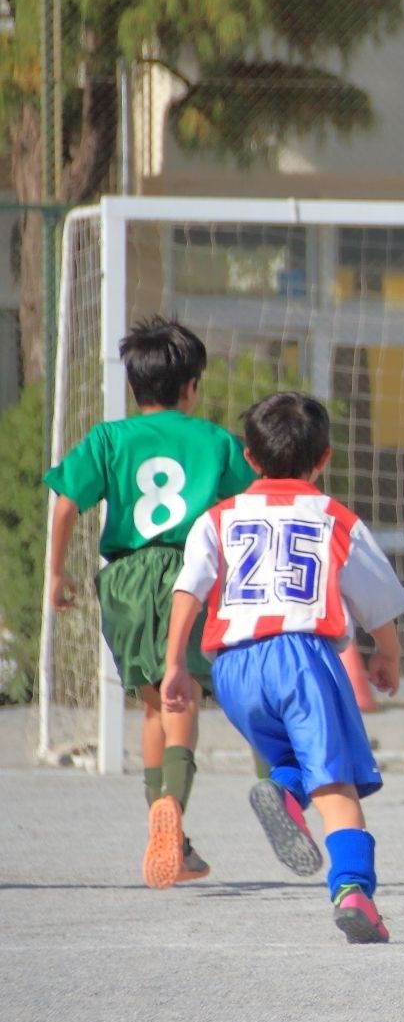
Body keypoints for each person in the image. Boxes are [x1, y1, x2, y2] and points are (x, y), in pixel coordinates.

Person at [161, 393, 404, 942]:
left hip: (232, 667)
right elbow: (377, 599)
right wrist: (387, 654)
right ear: (324, 458)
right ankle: (353, 892)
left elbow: (189, 589)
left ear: (249, 458)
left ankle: (279, 791)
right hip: (300, 658)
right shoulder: (334, 518)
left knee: (293, 763)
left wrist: (174, 665)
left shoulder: (219, 518)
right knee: (336, 782)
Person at [43, 315, 256, 889]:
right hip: (189, 571)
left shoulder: (109, 439)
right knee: (181, 695)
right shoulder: (214, 440)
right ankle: (175, 816)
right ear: (191, 386)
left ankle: (166, 830)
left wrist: (57, 572)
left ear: (134, 385)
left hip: (126, 578)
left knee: (150, 704)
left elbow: (65, 503)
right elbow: (250, 506)